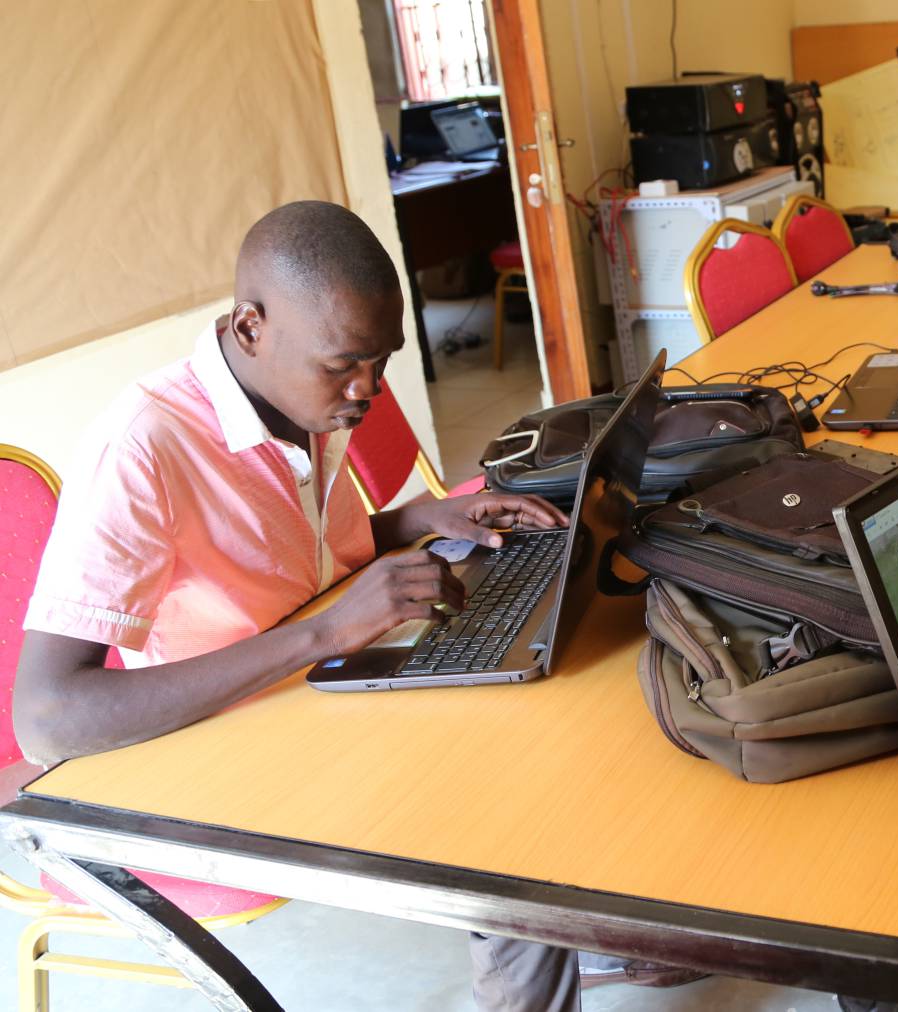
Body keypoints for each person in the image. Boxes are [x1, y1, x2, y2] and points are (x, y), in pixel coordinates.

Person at [10, 201, 636, 1012]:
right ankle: (558, 934)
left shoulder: (299, 397)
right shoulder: (142, 446)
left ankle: (591, 923)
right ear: (250, 327)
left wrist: (420, 519)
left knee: (557, 681)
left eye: (382, 361)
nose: (368, 389)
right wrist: (328, 632)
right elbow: (48, 718)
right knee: (506, 802)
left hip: (318, 689)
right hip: (224, 751)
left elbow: (296, 558)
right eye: (345, 365)